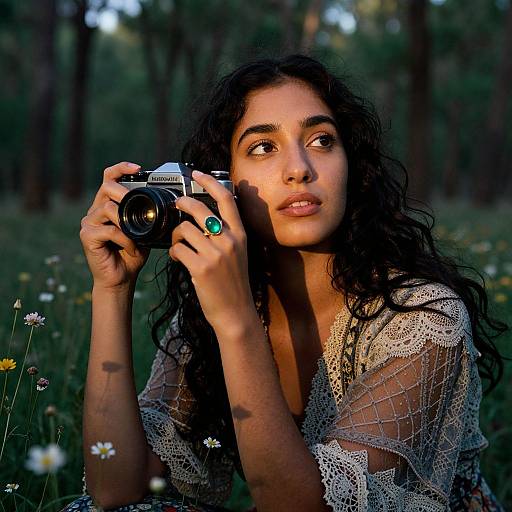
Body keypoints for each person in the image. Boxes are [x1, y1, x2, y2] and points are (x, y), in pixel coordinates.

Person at [65, 55, 506, 512]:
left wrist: (236, 325)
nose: (298, 169)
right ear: (220, 182)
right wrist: (112, 292)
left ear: (351, 167)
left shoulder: (423, 319)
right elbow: (114, 488)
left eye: (321, 140)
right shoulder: (212, 313)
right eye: (262, 147)